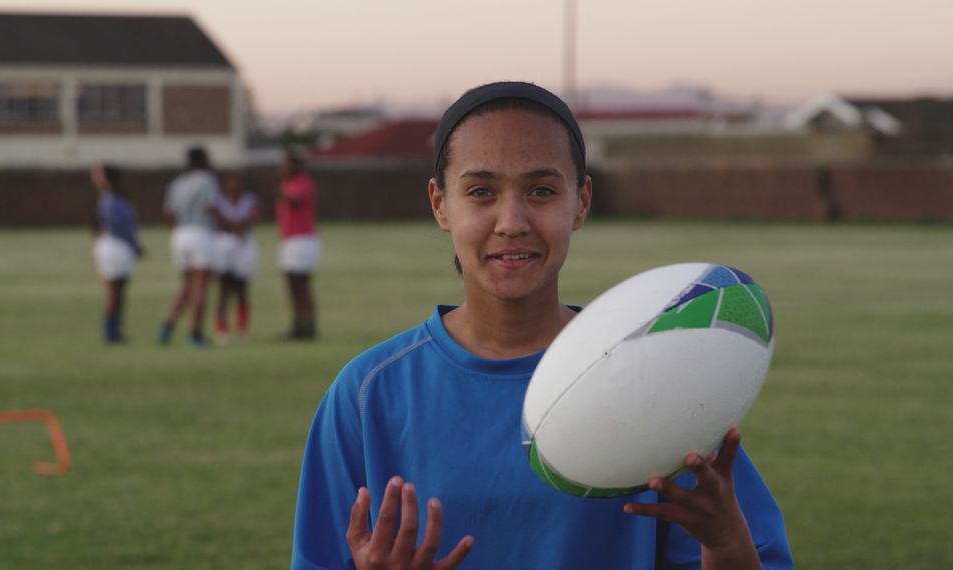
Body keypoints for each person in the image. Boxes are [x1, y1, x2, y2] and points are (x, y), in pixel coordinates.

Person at [291, 82, 793, 569]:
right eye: (482, 191)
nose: (511, 221)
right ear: (441, 203)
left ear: (581, 201)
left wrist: (727, 544)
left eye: (542, 190)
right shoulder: (367, 395)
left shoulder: (656, 372)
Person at [159, 147, 220, 348]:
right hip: (201, 232)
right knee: (201, 286)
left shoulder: (177, 183)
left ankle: (168, 325)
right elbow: (212, 207)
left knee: (187, 286)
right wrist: (226, 224)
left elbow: (169, 214)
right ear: (202, 160)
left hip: (179, 235)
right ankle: (196, 334)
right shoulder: (206, 180)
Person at [91, 164, 143, 344]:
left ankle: (115, 330)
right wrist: (136, 246)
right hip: (115, 247)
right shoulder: (111, 200)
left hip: (116, 247)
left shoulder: (112, 199)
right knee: (114, 292)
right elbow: (119, 228)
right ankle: (110, 332)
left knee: (118, 292)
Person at [277, 152, 322, 340]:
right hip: (290, 240)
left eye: (287, 165)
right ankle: (297, 326)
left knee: (302, 285)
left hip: (302, 240)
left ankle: (309, 327)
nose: (284, 169)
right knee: (293, 286)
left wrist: (283, 193)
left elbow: (294, 202)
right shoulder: (287, 183)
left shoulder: (303, 182)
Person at [213, 171, 261, 343]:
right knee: (224, 289)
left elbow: (254, 217)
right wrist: (234, 227)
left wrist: (237, 226)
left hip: (244, 245)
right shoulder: (220, 201)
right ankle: (222, 328)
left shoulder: (250, 199)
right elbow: (217, 217)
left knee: (242, 288)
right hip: (224, 245)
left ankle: (242, 328)